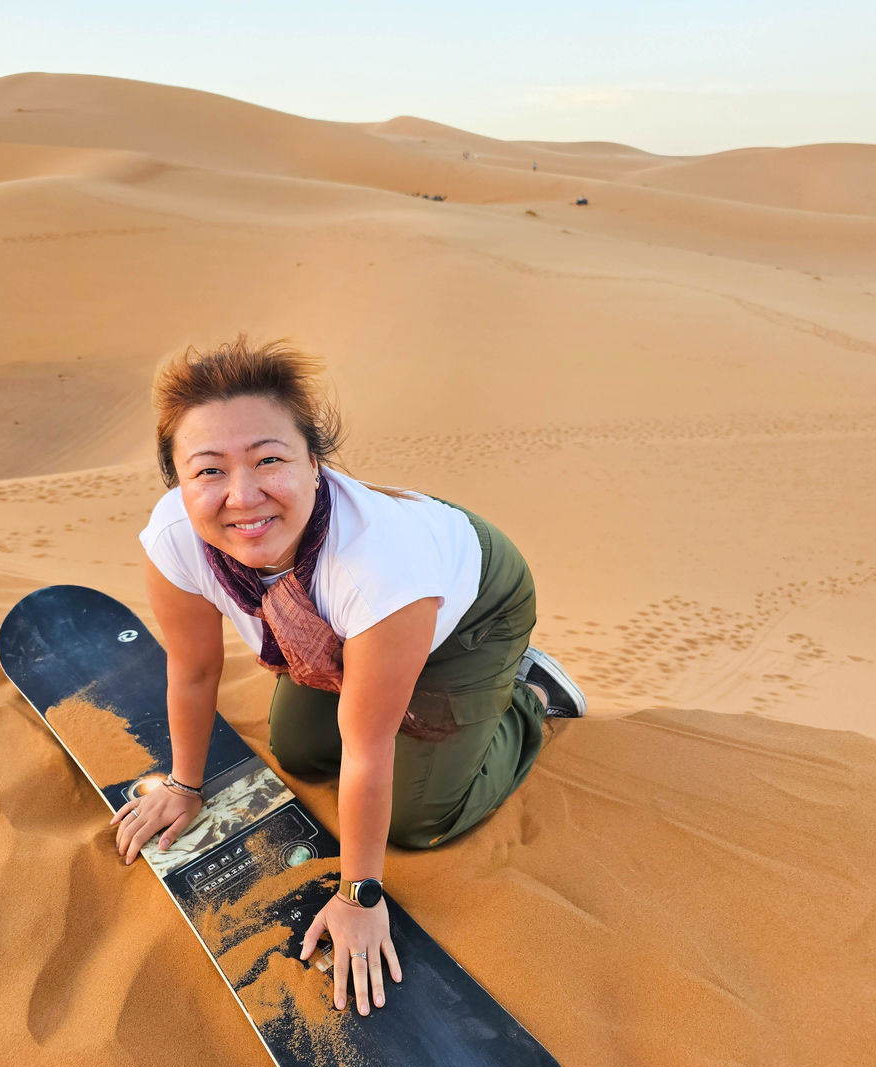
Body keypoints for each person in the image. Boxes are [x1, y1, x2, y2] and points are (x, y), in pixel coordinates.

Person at [112, 338, 586, 1018]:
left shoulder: (379, 568)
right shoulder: (175, 540)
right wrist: (185, 786)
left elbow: (369, 748)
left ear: (314, 462)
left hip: (469, 609)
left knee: (421, 819)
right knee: (300, 751)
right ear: (178, 483)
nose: (242, 497)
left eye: (269, 459)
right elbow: (192, 672)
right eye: (209, 471)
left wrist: (359, 895)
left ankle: (531, 695)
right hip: (355, 620)